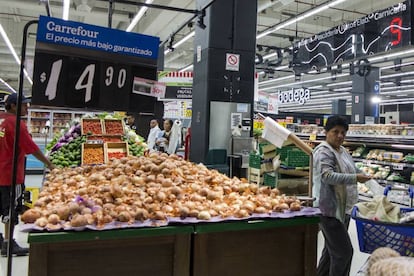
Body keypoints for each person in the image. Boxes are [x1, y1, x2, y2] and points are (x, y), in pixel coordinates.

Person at [312, 115, 371, 276]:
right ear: (326, 132)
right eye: (335, 131)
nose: (340, 136)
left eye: (343, 133)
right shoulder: (323, 152)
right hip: (329, 210)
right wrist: (355, 178)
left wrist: (362, 175)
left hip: (342, 208)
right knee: (344, 253)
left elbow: (351, 168)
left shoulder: (342, 150)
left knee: (331, 253)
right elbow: (327, 176)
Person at [0, 93, 54, 256]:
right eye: (24, 105)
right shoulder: (17, 124)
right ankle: (9, 244)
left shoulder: (1, 120)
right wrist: (50, 164)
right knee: (11, 209)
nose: (27, 108)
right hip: (11, 174)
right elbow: (32, 148)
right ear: (13, 106)